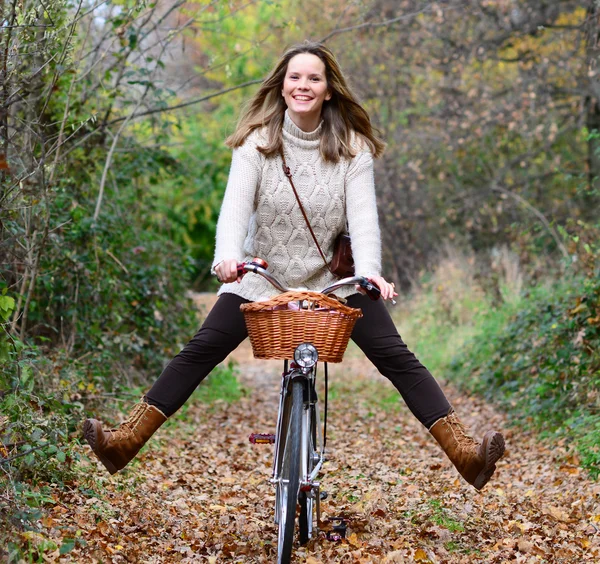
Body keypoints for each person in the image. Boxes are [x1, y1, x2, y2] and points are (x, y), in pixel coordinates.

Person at [83, 41, 505, 490]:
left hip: (333, 282)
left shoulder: (352, 148)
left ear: (328, 90)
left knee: (396, 357)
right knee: (200, 349)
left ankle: (465, 454)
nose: (303, 85)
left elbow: (364, 220)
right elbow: (234, 211)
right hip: (262, 278)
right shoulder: (256, 144)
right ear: (282, 87)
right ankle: (125, 441)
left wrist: (372, 272)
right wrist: (227, 258)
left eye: (314, 78)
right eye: (295, 77)